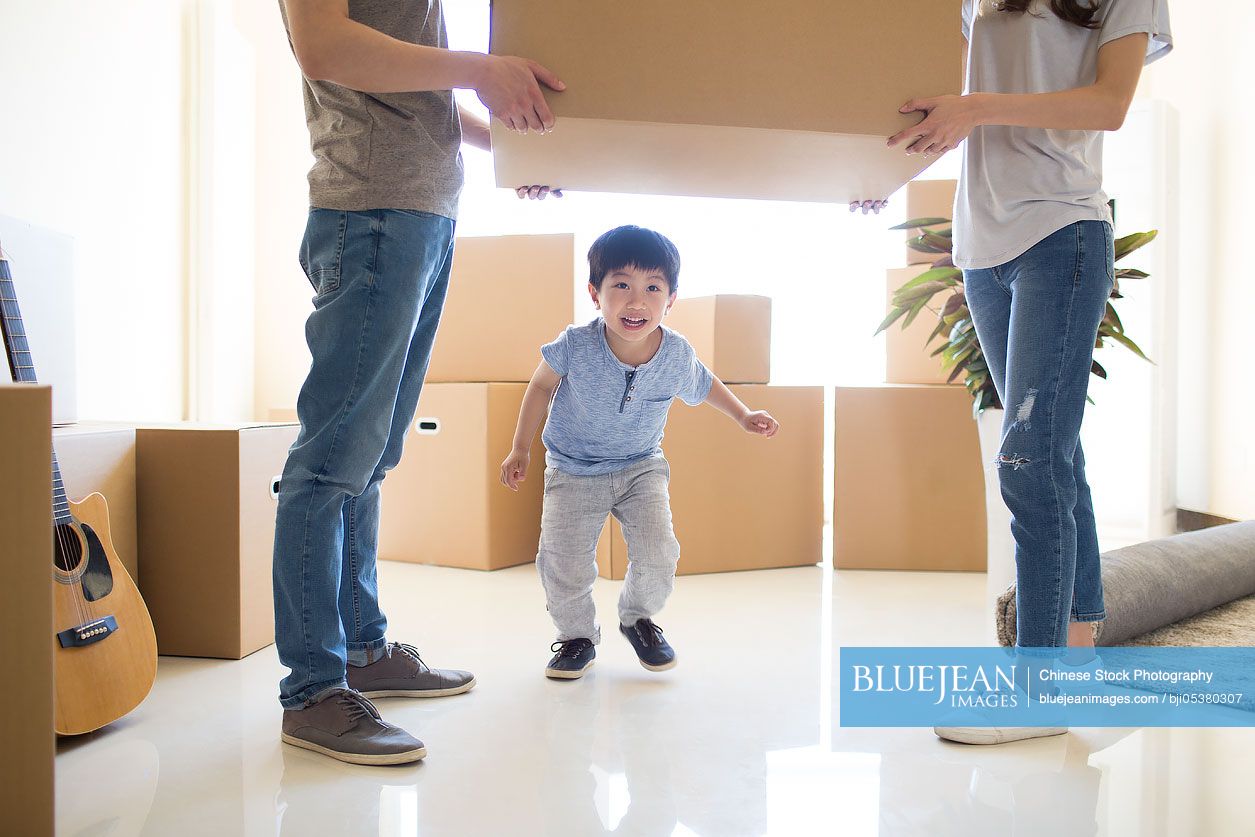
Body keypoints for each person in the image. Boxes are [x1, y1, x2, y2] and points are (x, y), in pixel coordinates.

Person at [273, 0, 563, 766]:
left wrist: (503, 136)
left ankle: (363, 650)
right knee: (331, 462)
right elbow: (326, 47)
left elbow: (409, 84)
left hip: (420, 213)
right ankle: (311, 690)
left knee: (370, 456)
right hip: (371, 210)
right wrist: (481, 70)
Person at [887, 0, 1172, 744]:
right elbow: (927, 99)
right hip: (982, 244)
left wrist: (974, 107)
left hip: (1061, 233)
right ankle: (1069, 664)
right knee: (1055, 455)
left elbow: (1107, 105)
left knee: (1027, 459)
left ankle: (1033, 689)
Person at [499, 225, 781, 680]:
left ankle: (638, 619)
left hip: (640, 468)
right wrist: (520, 449)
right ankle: (575, 637)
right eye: (621, 286)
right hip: (573, 469)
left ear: (670, 299)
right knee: (563, 559)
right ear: (595, 293)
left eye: (653, 288)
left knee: (659, 551)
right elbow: (540, 387)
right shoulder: (575, 343)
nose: (637, 301)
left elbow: (704, 384)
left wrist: (744, 415)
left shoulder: (676, 352)